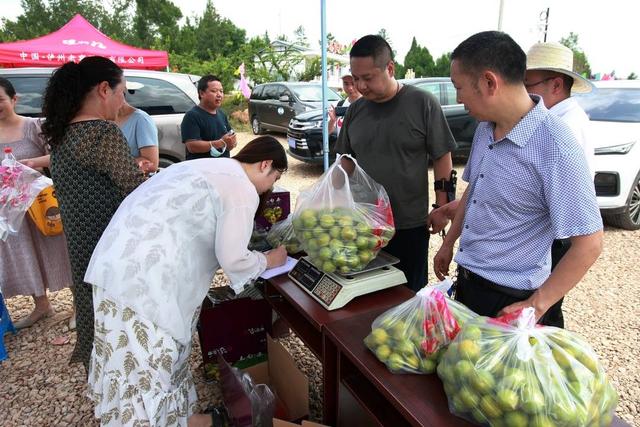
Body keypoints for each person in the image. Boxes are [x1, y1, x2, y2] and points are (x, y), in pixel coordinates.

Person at [83, 136, 288, 427]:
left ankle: (186, 420)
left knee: (133, 361)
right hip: (146, 281)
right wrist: (270, 260)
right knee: (149, 366)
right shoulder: (241, 186)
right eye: (275, 178)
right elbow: (233, 258)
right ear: (265, 165)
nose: (271, 187)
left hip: (118, 266)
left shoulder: (210, 167)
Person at [433, 31, 603, 326]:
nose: (459, 99)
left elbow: (589, 243)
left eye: (459, 88)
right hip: (469, 282)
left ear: (488, 82)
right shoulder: (485, 129)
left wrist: (535, 306)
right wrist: (449, 243)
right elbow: (475, 191)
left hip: (511, 298)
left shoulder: (556, 146)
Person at [41, 56, 145, 370]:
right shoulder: (102, 132)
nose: (122, 102)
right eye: (121, 92)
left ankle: (101, 381)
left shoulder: (62, 135)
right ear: (103, 89)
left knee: (93, 311)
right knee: (119, 318)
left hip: (81, 246)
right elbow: (133, 188)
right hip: (109, 245)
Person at [334, 35, 456, 292]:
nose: (361, 86)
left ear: (390, 68)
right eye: (356, 78)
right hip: (365, 223)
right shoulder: (356, 110)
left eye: (368, 78)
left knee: (408, 293)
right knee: (368, 292)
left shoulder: (422, 103)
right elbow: (344, 162)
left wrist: (442, 207)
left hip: (409, 223)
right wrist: (328, 198)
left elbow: (442, 156)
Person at [0, 77, 73, 329]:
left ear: (13, 99)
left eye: (0, 100)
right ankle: (41, 304)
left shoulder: (34, 126)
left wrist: (32, 163)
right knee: (24, 252)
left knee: (57, 247)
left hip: (40, 200)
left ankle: (78, 306)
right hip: (10, 207)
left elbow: (59, 155)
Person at [525, 41, 596, 278]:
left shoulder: (563, 127)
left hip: (554, 236)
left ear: (556, 85)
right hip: (552, 233)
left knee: (543, 309)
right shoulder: (561, 118)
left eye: (527, 84)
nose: (522, 92)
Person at [181, 75, 237, 160]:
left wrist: (231, 143)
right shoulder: (192, 116)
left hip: (222, 167)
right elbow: (192, 146)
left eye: (221, 91)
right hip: (202, 169)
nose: (219, 95)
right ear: (202, 93)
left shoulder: (221, 114)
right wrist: (220, 143)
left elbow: (228, 139)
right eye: (214, 91)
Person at [115, 94, 159, 174]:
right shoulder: (103, 119)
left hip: (132, 183)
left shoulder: (141, 119)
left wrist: (112, 164)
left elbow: (151, 164)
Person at [328, 69, 362, 134]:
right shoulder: (339, 105)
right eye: (346, 84)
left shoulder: (368, 104)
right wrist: (332, 121)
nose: (350, 88)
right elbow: (328, 132)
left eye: (353, 83)